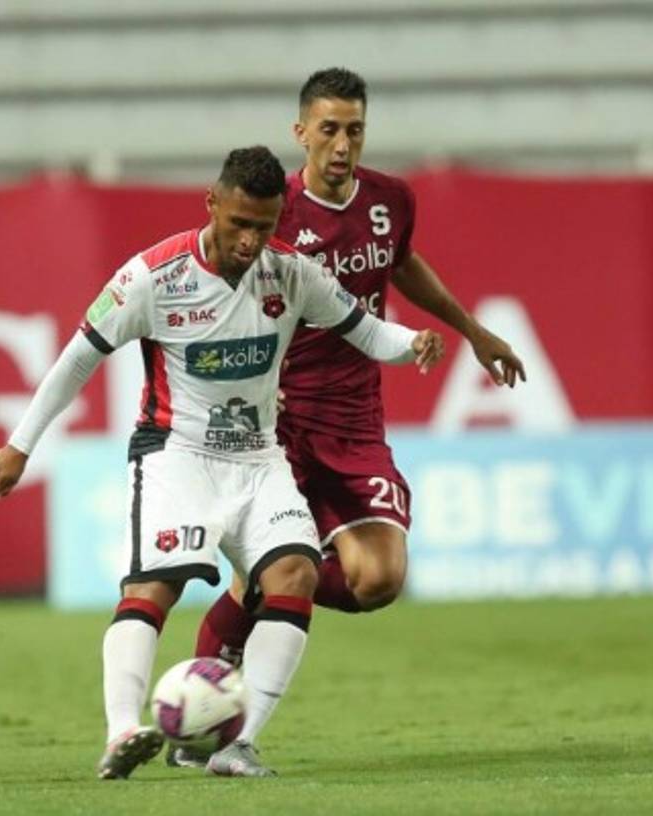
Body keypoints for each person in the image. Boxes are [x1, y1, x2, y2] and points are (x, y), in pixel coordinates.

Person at [0, 146, 445, 779]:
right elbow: (78, 359)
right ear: (212, 205)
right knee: (154, 587)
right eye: (240, 223)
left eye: (265, 225)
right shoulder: (152, 278)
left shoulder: (292, 273)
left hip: (259, 457)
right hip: (178, 455)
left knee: (295, 575)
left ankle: (237, 744)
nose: (251, 240)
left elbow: (363, 330)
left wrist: (412, 343)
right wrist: (20, 445)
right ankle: (122, 731)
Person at [177, 69, 528, 761]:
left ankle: (270, 588)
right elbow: (220, 296)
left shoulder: (390, 200)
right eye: (329, 129)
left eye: (355, 130)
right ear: (301, 132)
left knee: (378, 579)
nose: (342, 145)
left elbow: (401, 264)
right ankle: (205, 729)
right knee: (276, 575)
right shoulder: (272, 210)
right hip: (277, 426)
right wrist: (241, 385)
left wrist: (472, 330)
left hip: (355, 422)